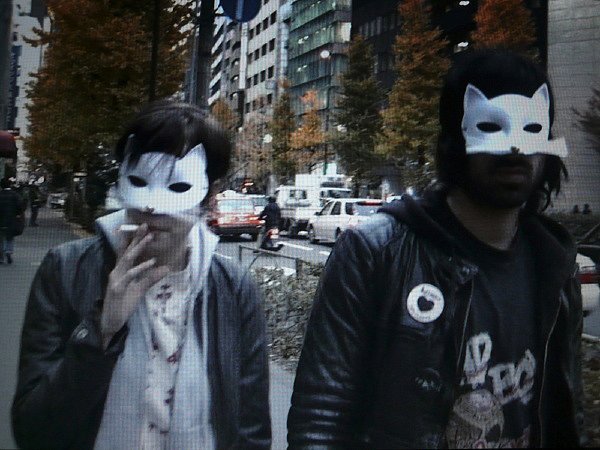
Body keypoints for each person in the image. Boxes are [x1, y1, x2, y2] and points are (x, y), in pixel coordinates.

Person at [288, 49, 584, 448]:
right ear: (455, 139)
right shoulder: (377, 252)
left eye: (531, 129)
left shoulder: (555, 264)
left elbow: (565, 409)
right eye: (492, 127)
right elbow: (322, 411)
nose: (515, 149)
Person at [12, 101, 271, 449]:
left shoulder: (232, 288)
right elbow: (32, 430)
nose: (151, 206)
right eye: (140, 180)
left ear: (210, 194)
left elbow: (250, 426)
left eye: (177, 185)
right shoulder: (66, 270)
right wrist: (101, 331)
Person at [0, 178, 25, 264]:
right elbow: (20, 206)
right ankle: (8, 251)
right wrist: (18, 214)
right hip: (11, 219)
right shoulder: (15, 195)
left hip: (1, 219)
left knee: (1, 238)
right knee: (10, 237)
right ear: (10, 185)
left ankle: (1, 257)